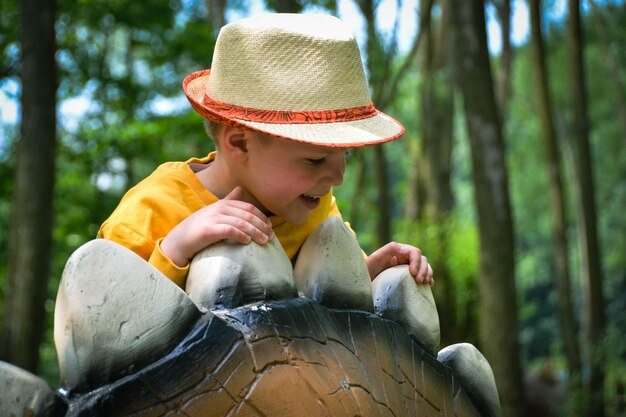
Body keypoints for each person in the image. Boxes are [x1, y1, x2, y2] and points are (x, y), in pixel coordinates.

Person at [98, 13, 434, 289]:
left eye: (344, 155)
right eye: (316, 159)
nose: (338, 177)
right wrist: (176, 247)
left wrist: (371, 274)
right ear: (239, 142)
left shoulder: (314, 209)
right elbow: (108, 326)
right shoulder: (148, 216)